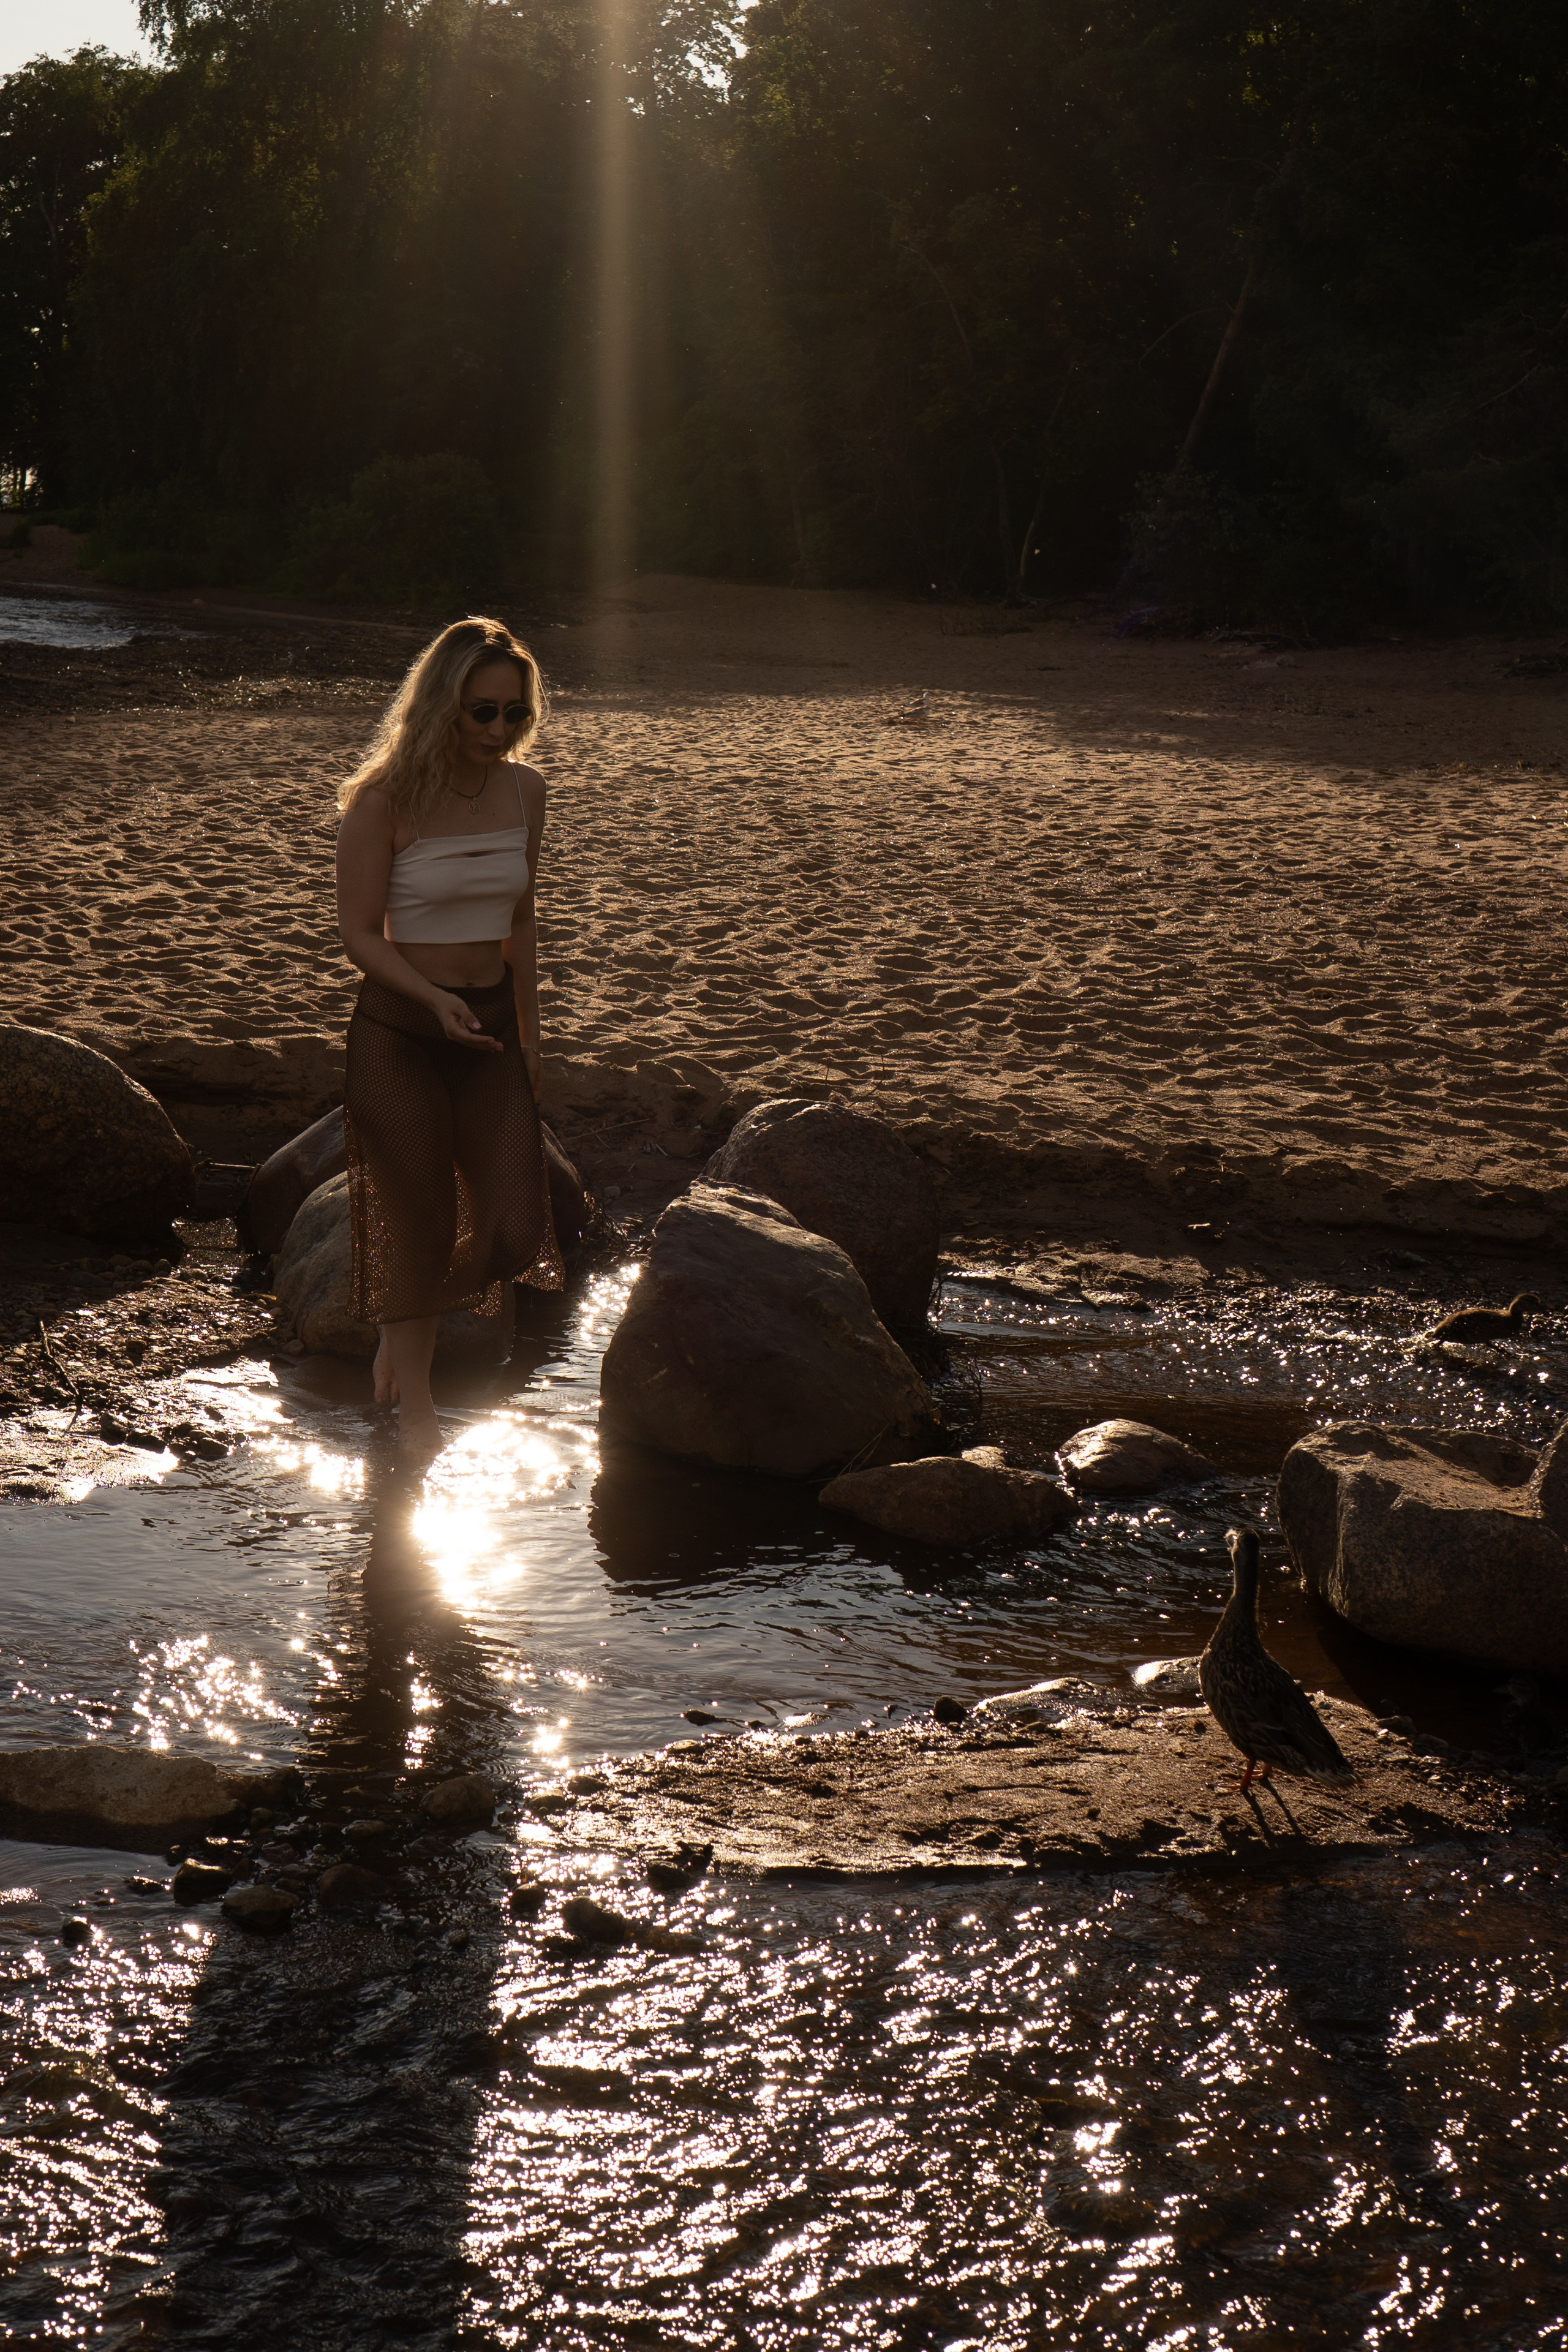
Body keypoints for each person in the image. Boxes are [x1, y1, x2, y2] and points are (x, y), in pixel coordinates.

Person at [334, 615, 562, 1459]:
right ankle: (418, 1406)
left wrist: (532, 1035)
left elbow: (522, 917)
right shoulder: (383, 800)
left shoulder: (526, 793)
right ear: (442, 708)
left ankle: (401, 1318)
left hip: (493, 1029)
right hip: (402, 1030)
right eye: (482, 714)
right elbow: (360, 933)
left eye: (515, 714)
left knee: (513, 1229)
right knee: (423, 1221)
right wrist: (431, 1000)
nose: (500, 731)